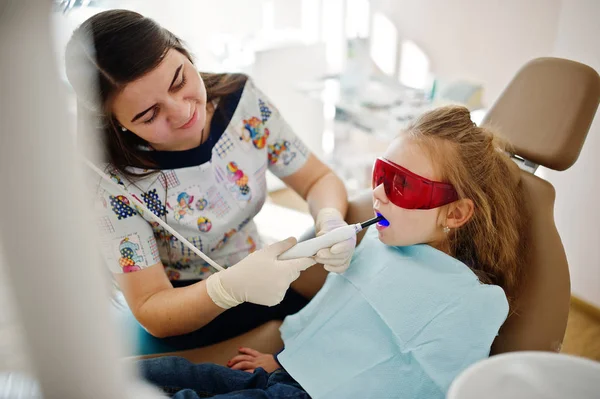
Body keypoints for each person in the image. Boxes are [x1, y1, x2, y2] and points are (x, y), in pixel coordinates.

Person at [137, 105, 528, 398]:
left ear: (456, 213)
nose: (378, 193)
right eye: (381, 175)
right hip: (287, 379)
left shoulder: (474, 302)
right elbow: (334, 320)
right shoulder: (378, 244)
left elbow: (431, 385)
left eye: (401, 185)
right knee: (165, 374)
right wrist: (287, 362)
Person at [64, 9, 355, 351]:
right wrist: (227, 288)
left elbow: (318, 178)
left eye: (179, 81)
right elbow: (151, 308)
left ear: (185, 53)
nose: (182, 111)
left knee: (361, 214)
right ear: (117, 123)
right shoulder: (110, 183)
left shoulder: (242, 102)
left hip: (267, 272)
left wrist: (330, 219)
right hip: (188, 315)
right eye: (149, 114)